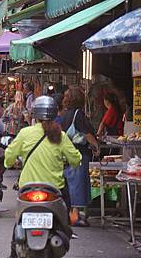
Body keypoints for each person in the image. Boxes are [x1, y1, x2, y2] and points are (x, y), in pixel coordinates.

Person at [4, 96, 82, 258]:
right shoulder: (60, 135)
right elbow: (75, 159)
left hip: (27, 189)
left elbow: (9, 155)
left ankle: (13, 252)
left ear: (35, 114)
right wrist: (71, 162)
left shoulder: (25, 133)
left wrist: (9, 162)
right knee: (65, 218)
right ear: (55, 114)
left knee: (19, 221)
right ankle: (64, 233)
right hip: (54, 190)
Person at [61, 86, 99, 227]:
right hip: (78, 152)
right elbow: (87, 133)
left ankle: (70, 213)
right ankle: (74, 216)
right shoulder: (78, 114)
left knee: (69, 183)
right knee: (76, 184)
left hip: (66, 152)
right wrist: (96, 146)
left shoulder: (65, 114)